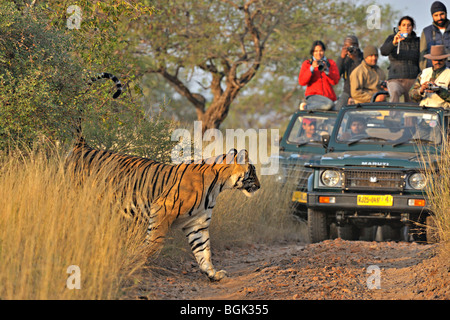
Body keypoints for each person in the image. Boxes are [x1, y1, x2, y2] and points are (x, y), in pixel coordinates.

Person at [380, 16, 420, 102]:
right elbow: (383, 51)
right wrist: (394, 43)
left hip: (412, 79)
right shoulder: (392, 38)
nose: (406, 27)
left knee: (412, 106)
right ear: (399, 27)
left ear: (412, 27)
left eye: (409, 25)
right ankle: (393, 115)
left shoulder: (417, 41)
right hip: (395, 78)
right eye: (403, 25)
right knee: (394, 92)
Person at [298, 40, 340, 110]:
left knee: (336, 110)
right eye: (316, 51)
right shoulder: (307, 63)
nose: (319, 53)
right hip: (314, 96)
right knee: (328, 105)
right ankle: (305, 107)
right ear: (312, 52)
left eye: (321, 51)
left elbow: (335, 81)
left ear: (324, 51)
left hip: (328, 97)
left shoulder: (330, 63)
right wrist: (312, 68)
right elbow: (302, 82)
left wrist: (327, 70)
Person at [419, 1, 450, 70]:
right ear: (432, 16)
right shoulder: (426, 31)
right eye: (436, 15)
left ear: (446, 13)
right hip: (433, 72)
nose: (439, 18)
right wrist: (424, 71)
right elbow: (422, 55)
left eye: (442, 14)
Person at [335, 35, 364, 109]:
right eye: (346, 46)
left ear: (357, 46)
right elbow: (336, 75)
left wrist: (355, 59)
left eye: (350, 46)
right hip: (347, 91)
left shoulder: (363, 57)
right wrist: (341, 58)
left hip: (361, 91)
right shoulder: (344, 58)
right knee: (337, 110)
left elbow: (362, 72)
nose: (348, 49)